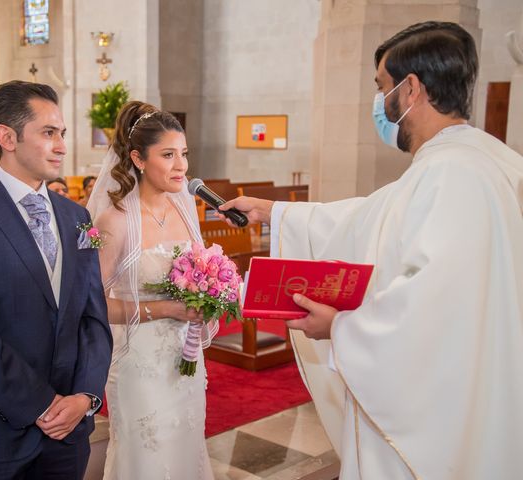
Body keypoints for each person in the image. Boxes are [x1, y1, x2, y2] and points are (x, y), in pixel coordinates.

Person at [220, 21, 523, 480]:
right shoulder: (486, 160)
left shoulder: (451, 174)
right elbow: (370, 216)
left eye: (382, 87)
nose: (379, 103)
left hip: (438, 417)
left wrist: (343, 328)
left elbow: (433, 308)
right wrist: (272, 211)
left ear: (411, 90)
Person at [0, 80, 113, 479]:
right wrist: (43, 405)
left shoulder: (75, 217)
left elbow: (92, 317)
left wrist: (85, 395)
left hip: (69, 433)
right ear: (6, 137)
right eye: (48, 133)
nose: (62, 145)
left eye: (61, 133)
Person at [87, 101, 216, 479]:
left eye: (184, 154)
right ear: (138, 159)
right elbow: (91, 303)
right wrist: (166, 310)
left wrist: (211, 293)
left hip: (186, 358)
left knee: (186, 443)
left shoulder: (184, 208)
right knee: (147, 453)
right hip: (138, 362)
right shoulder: (114, 221)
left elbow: (202, 272)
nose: (182, 166)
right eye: (168, 155)